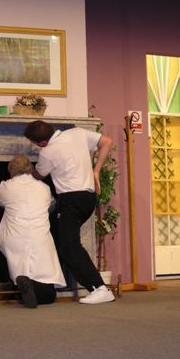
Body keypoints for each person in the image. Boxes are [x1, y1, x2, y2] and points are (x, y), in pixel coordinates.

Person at [24, 120, 115, 304]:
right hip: (88, 199)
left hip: (71, 201)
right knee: (69, 245)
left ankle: (99, 288)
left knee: (69, 248)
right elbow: (107, 142)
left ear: (42, 143)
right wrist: (96, 171)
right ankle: (97, 287)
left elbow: (39, 175)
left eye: (34, 143)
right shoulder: (78, 133)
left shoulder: (47, 152)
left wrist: (26, 173)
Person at [0, 155, 66, 308]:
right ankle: (30, 286)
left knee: (21, 267)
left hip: (15, 238)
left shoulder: (6, 187)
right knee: (49, 294)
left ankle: (24, 285)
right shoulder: (44, 188)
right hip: (40, 239)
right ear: (31, 169)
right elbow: (52, 205)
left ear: (11, 171)